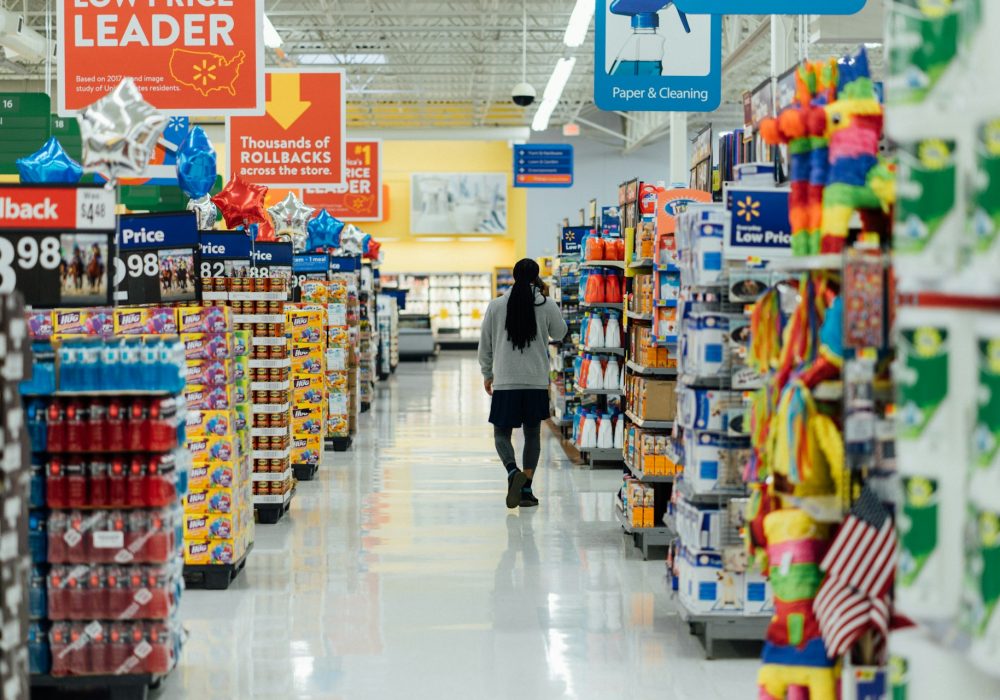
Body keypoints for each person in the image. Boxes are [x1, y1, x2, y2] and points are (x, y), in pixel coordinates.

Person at [478, 258, 568, 509]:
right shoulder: (546, 303)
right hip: (536, 381)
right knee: (532, 434)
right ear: (536, 277)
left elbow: (484, 345)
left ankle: (511, 471)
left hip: (506, 380)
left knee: (501, 434)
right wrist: (548, 301)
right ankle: (526, 488)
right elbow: (560, 333)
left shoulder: (496, 306)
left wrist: (487, 373)